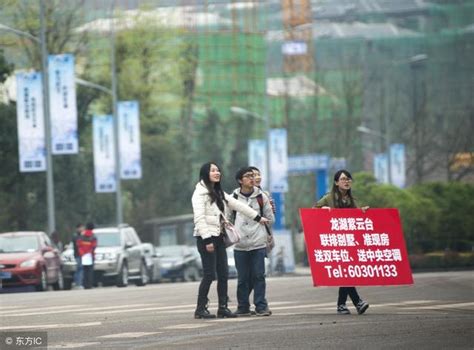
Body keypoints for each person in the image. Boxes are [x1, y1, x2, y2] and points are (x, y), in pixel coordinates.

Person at [192, 162, 270, 319]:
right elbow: (199, 218)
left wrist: (257, 217)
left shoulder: (217, 192)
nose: (217, 173)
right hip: (205, 237)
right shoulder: (199, 193)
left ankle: (223, 307)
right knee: (209, 274)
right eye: (213, 170)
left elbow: (237, 205)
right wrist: (207, 240)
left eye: (218, 170)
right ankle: (200, 309)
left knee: (223, 274)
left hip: (219, 236)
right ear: (205, 173)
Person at [313, 169, 370, 315]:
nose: (346, 181)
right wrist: (323, 210)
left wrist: (362, 212)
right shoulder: (328, 198)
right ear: (336, 182)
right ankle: (355, 302)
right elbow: (313, 211)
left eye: (348, 179)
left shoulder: (352, 200)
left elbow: (356, 218)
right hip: (334, 240)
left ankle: (344, 305)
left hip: (349, 241)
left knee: (347, 272)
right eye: (343, 179)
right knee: (346, 272)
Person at [230, 167, 275, 317]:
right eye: (248, 176)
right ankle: (243, 307)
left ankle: (261, 306)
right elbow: (227, 218)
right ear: (240, 180)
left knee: (258, 276)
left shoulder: (262, 197)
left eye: (253, 175)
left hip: (258, 243)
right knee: (243, 278)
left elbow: (271, 219)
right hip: (240, 245)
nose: (252, 178)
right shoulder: (233, 198)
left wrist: (267, 222)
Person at [77, 222, 97, 290]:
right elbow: (94, 246)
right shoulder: (93, 236)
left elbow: (79, 245)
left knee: (85, 270)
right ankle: (89, 285)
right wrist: (90, 253)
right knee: (90, 271)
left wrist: (82, 253)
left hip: (83, 255)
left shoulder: (82, 236)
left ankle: (85, 285)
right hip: (90, 255)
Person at [72, 223, 85, 289]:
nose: (82, 229)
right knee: (80, 268)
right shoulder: (76, 236)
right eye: (81, 228)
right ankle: (78, 283)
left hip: (82, 254)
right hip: (78, 254)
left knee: (79, 269)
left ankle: (77, 282)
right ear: (78, 228)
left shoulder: (81, 236)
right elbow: (78, 244)